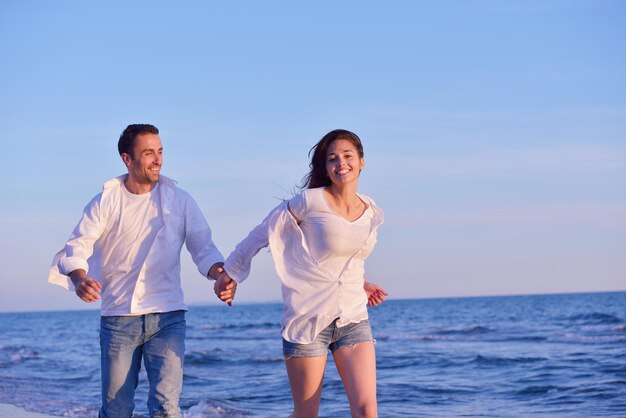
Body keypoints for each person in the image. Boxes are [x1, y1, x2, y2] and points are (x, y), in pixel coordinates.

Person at [47, 124, 225, 418]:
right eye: (148, 153)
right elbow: (78, 246)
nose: (157, 160)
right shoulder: (106, 200)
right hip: (119, 317)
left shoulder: (180, 200)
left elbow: (204, 248)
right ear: (127, 159)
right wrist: (80, 279)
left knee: (166, 408)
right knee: (117, 408)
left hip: (168, 316)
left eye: (160, 151)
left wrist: (220, 275)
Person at [215, 129, 387, 418]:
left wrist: (362, 283)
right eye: (332, 158)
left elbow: (347, 258)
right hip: (308, 321)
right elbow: (263, 231)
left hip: (352, 317)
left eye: (347, 156)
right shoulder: (310, 202)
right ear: (325, 166)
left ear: (361, 161)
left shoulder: (372, 211)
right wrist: (231, 271)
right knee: (307, 413)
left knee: (366, 410)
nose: (340, 163)